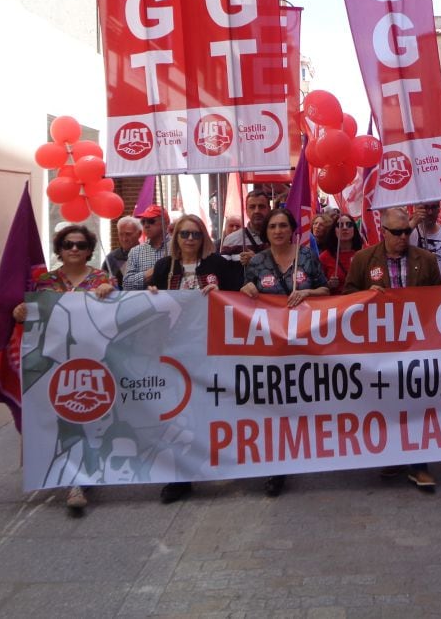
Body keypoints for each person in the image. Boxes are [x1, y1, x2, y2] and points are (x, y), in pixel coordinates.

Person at [12, 224, 116, 513]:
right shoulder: (45, 282)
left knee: (89, 418)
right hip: (55, 363)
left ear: (89, 250)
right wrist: (20, 313)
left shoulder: (101, 279)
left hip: (94, 362)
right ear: (59, 249)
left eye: (81, 245)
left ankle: (81, 477)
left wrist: (111, 293)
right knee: (63, 417)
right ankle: (72, 478)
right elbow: (34, 317)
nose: (74, 249)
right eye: (68, 244)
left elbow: (119, 313)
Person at [345, 208, 441, 491]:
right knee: (388, 403)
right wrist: (365, 296)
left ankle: (420, 465)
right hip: (379, 346)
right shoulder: (363, 260)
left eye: (407, 232)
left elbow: (439, 299)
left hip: (416, 344)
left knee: (416, 402)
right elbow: (347, 295)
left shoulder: (426, 260)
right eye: (397, 232)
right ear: (383, 232)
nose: (403, 237)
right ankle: (395, 455)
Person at [149, 214, 244, 503]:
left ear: (204, 237)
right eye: (184, 234)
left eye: (196, 234)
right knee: (178, 415)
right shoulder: (165, 267)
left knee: (207, 409)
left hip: (211, 348)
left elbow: (241, 293)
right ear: (175, 237)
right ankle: (180, 477)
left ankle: (213, 462)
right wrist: (150, 293)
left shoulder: (217, 264)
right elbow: (149, 305)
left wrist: (222, 293)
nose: (190, 239)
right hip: (175, 351)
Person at [242, 208, 331, 495]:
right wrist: (247, 289)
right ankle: (276, 467)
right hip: (269, 344)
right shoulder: (257, 262)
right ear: (266, 232)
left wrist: (308, 292)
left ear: (292, 230)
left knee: (300, 398)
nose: (278, 231)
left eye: (283, 226)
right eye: (272, 227)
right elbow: (244, 294)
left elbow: (326, 290)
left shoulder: (306, 256)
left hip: (305, 344)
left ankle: (306, 449)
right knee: (273, 403)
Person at [123, 205, 169, 290]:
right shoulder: (136, 251)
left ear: (165, 223)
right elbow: (126, 284)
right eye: (143, 222)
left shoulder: (177, 247)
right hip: (146, 298)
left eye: (151, 221)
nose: (146, 225)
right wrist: (147, 275)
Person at [220, 189, 271, 267]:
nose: (257, 211)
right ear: (246, 210)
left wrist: (257, 260)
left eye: (261, 206)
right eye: (252, 207)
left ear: (269, 209)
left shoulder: (278, 237)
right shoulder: (231, 240)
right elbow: (223, 271)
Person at [320, 214, 363, 293]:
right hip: (336, 299)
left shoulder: (364, 252)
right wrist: (329, 285)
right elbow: (317, 286)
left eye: (349, 224)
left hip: (361, 299)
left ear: (354, 229)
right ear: (334, 230)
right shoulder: (325, 257)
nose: (345, 228)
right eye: (340, 225)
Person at [102, 216, 141, 288]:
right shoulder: (111, 258)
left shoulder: (147, 254)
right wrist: (106, 284)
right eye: (121, 234)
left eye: (128, 234)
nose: (124, 239)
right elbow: (101, 283)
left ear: (139, 234)